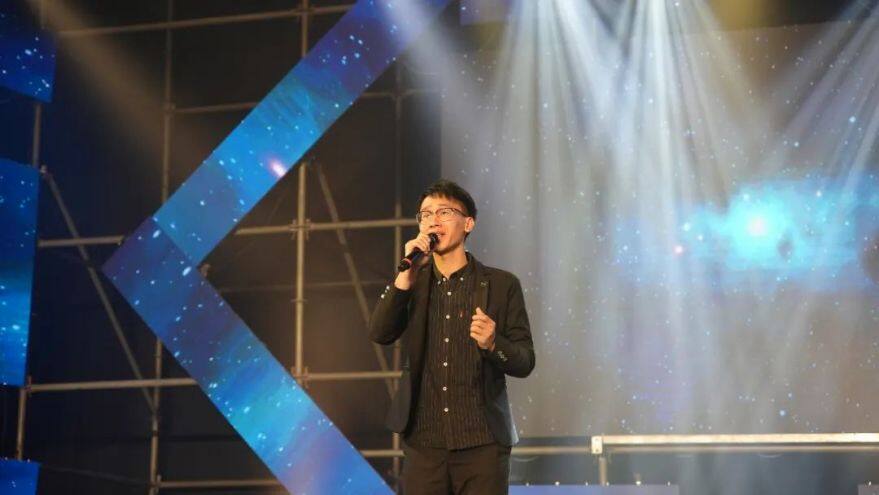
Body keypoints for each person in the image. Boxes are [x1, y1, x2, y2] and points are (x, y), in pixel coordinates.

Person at [369, 179, 536, 494]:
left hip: (483, 444)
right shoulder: (412, 282)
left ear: (468, 223)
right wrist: (404, 277)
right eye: (425, 214)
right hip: (424, 445)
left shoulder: (501, 285)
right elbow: (380, 333)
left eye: (444, 212)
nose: (433, 221)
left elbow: (525, 361)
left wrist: (494, 343)